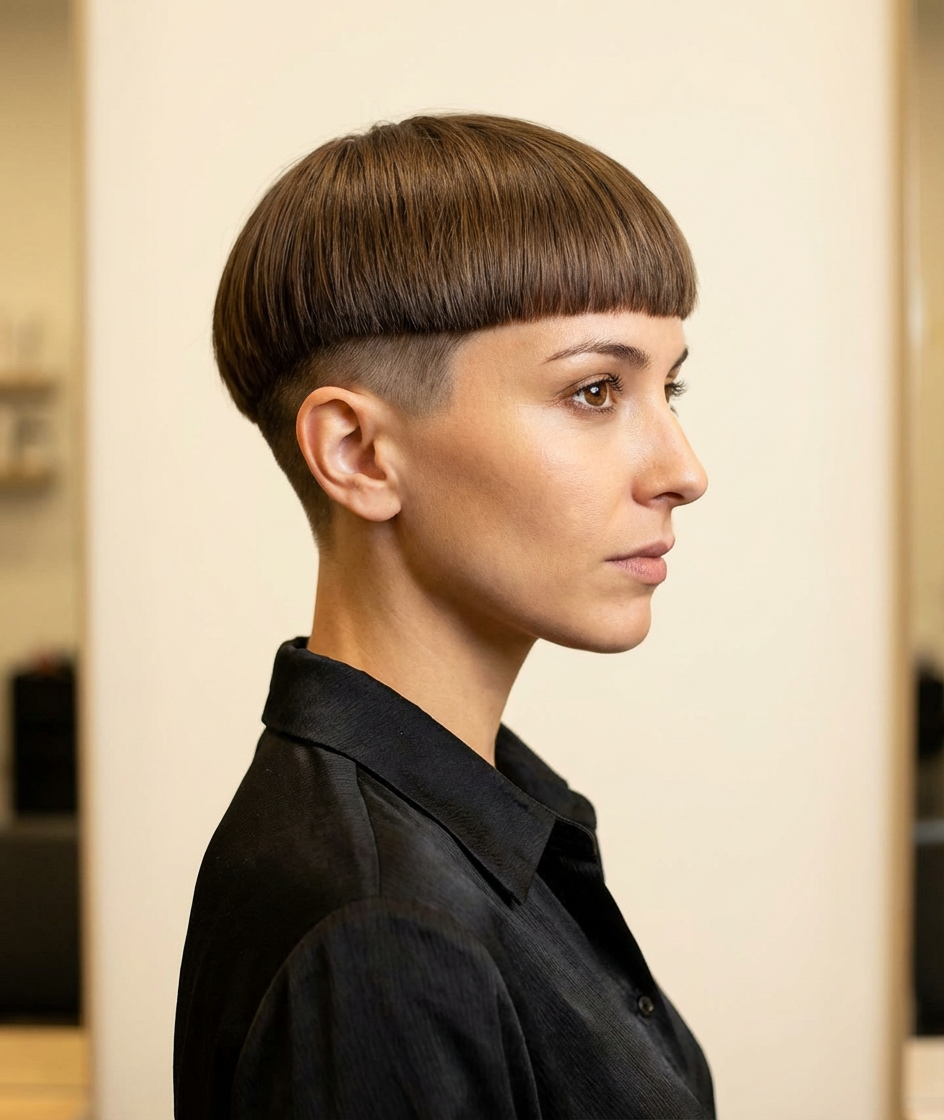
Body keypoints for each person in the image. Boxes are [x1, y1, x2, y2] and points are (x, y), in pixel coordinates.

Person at [174, 113, 713, 1120]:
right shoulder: (382, 939)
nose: (683, 470)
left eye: (667, 386)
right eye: (594, 389)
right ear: (358, 453)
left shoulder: (452, 829)